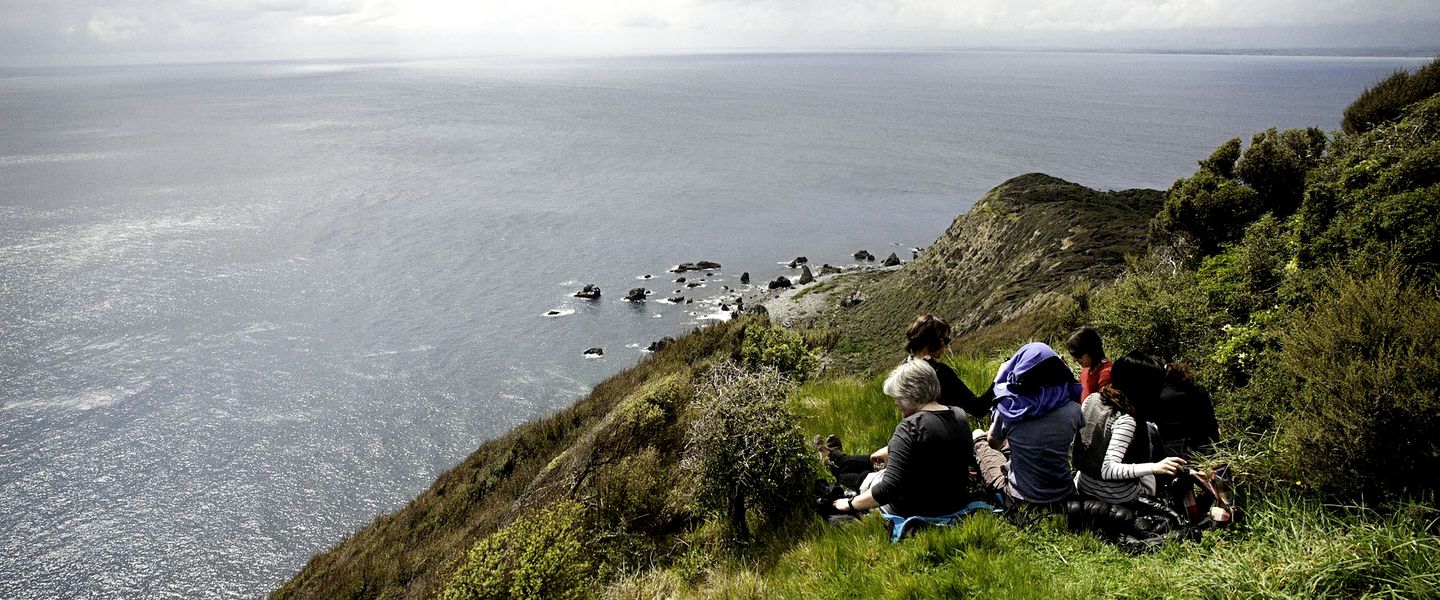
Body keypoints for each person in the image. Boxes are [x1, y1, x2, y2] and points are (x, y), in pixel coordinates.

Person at [831, 360, 975, 518]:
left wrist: (850, 504)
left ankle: (832, 461)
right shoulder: (959, 415)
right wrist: (890, 449)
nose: (896, 403)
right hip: (953, 502)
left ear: (912, 394)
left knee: (853, 480)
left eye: (898, 397)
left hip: (916, 507)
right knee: (867, 467)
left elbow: (888, 489)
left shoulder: (909, 427)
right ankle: (834, 458)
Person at [972, 342, 1085, 508]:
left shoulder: (1009, 407)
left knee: (979, 437)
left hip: (1021, 498)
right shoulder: (1074, 409)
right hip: (1063, 494)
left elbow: (994, 444)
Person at [1072, 351, 1186, 505]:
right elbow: (1108, 469)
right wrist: (1155, 467)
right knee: (1149, 475)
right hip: (1117, 496)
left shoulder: (1092, 399)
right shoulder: (1126, 419)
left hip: (1084, 485)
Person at [905, 315, 987, 417]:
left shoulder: (903, 369)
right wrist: (1001, 377)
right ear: (934, 341)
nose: (946, 346)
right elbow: (979, 409)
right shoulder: (940, 372)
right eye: (946, 340)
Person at [1150, 362, 1221, 458]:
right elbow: (1211, 422)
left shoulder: (1160, 397)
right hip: (1206, 445)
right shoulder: (1199, 392)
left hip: (1174, 449)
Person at [1066, 326, 1112, 401]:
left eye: (1078, 355)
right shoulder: (1087, 370)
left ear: (1091, 350)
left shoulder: (1106, 374)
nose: (1075, 360)